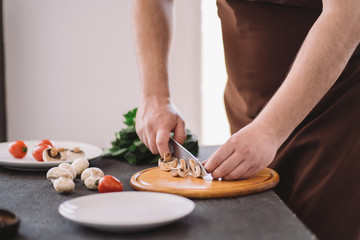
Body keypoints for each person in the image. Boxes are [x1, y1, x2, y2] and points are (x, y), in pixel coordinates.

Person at [132, 0, 360, 239]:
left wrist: (270, 130)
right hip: (246, 111)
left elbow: (348, 13)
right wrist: (154, 95)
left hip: (334, 114)